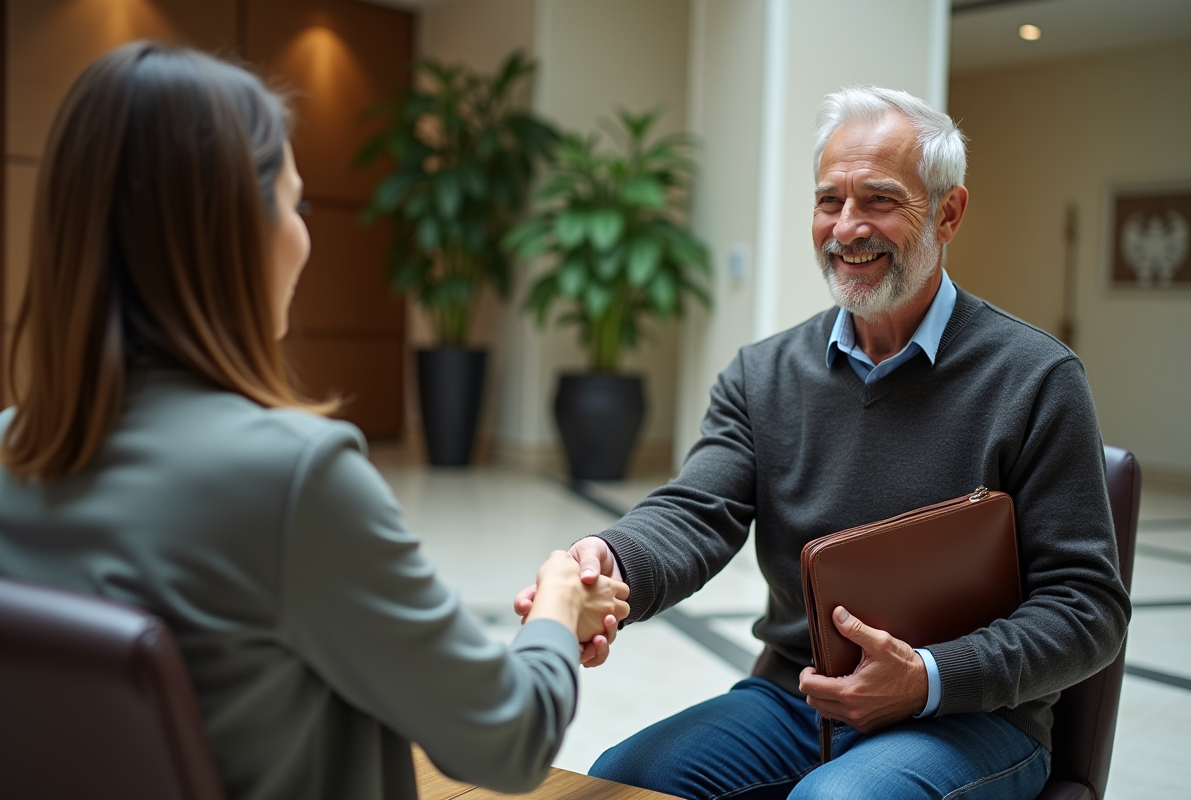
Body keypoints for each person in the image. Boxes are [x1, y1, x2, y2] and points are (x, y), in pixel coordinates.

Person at [0, 41, 629, 800]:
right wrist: (558, 609)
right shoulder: (293, 476)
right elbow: (507, 742)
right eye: (294, 204)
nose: (305, 234)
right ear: (231, 230)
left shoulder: (10, 449)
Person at [514, 86, 1130, 800]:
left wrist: (927, 678)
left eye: (879, 200)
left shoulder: (1036, 378)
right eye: (828, 201)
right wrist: (608, 564)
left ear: (949, 212)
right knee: (622, 781)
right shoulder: (762, 374)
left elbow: (1087, 606)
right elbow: (694, 511)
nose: (846, 228)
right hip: (795, 700)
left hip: (973, 715)